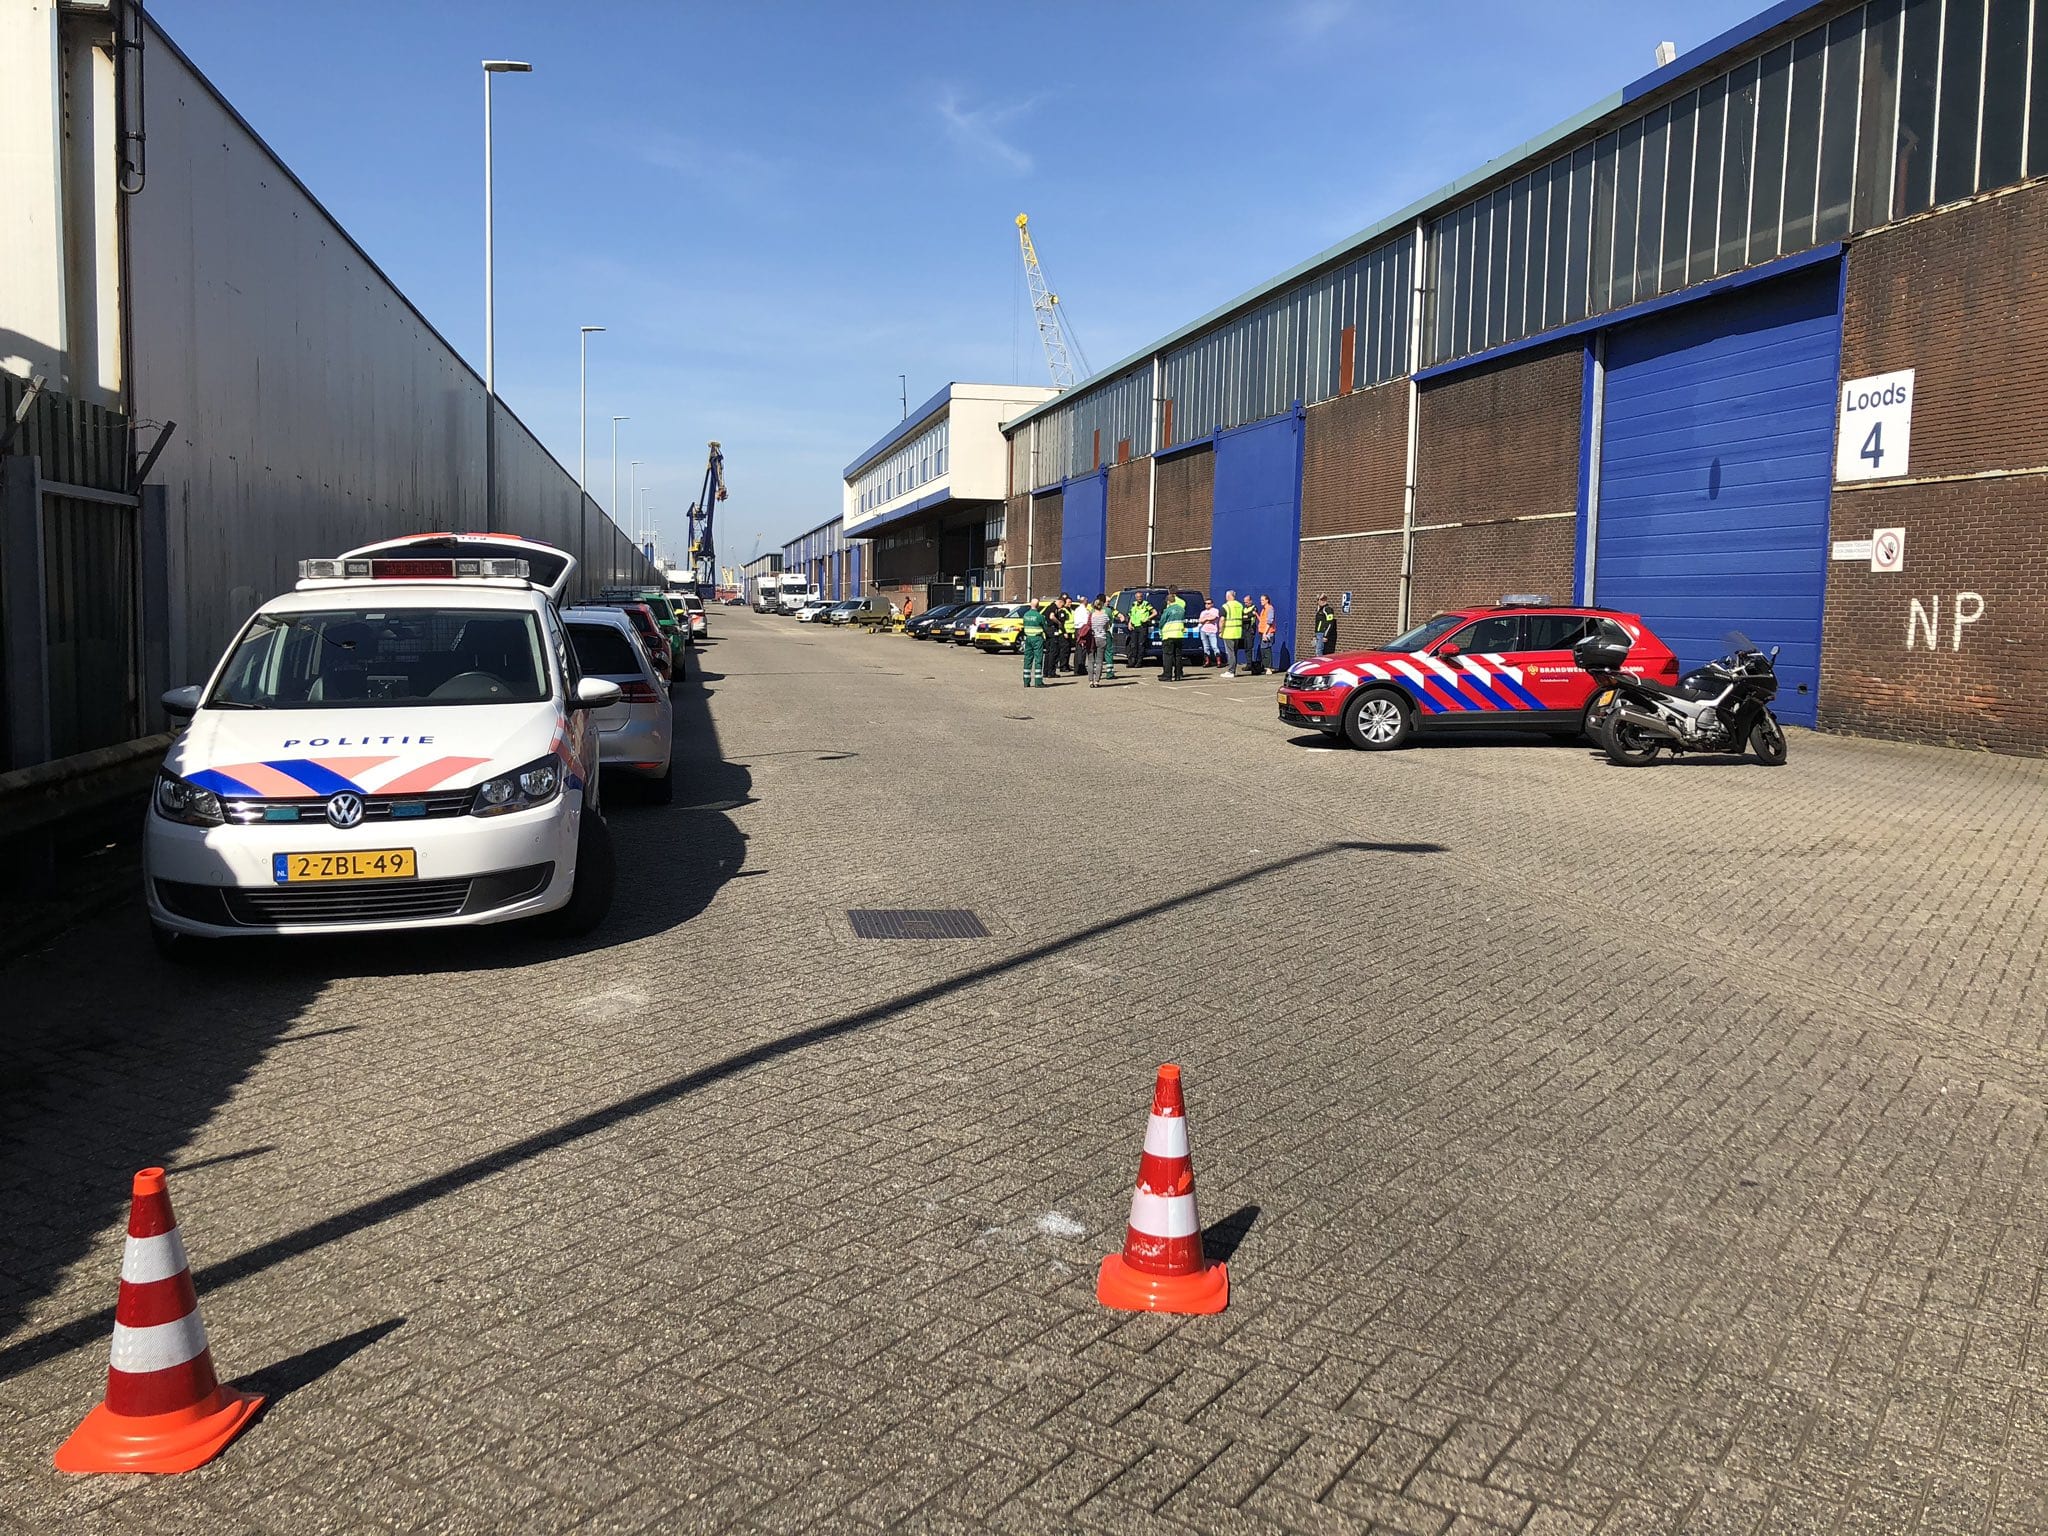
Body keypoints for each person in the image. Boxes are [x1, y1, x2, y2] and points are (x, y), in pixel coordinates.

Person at [1158, 588, 1187, 681]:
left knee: (1168, 655)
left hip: (1168, 635)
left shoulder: (1168, 610)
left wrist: (1160, 628)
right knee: (1178, 656)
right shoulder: (1181, 609)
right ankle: (1178, 675)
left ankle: (1167, 675)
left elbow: (1162, 621)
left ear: (1168, 601)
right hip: (1179, 635)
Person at [1087, 594, 1112, 686]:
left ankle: (1091, 680)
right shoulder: (1105, 616)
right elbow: (1108, 626)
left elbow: (1088, 626)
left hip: (1092, 638)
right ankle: (1097, 681)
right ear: (1102, 605)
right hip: (1101, 638)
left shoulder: (1091, 615)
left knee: (1090, 660)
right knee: (1099, 661)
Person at [1220, 590, 1245, 678]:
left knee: (1230, 652)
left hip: (1228, 632)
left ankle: (1231, 671)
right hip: (1237, 632)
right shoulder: (1240, 605)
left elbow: (1222, 620)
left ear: (1229, 596)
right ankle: (1233, 670)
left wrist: (1220, 631)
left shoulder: (1225, 606)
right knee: (1234, 652)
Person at [1020, 601, 1046, 686]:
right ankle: (1038, 682)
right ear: (1038, 605)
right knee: (1038, 659)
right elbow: (1045, 627)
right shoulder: (1039, 616)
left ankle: (1026, 681)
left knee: (1027, 659)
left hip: (1028, 638)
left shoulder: (1025, 615)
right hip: (1037, 638)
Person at [1127, 593, 1155, 669]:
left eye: (1140, 597)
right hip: (1134, 627)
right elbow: (1131, 614)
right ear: (1135, 597)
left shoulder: (1146, 604)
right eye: (1137, 597)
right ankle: (1132, 662)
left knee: (1141, 644)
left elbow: (1154, 612)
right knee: (1133, 644)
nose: (1139, 598)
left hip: (1142, 626)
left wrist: (1147, 618)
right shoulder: (1134, 604)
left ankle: (1139, 662)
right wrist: (1129, 623)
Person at [1253, 594, 1276, 675]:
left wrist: (1265, 633)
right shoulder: (1263, 610)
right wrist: (1256, 614)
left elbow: (1269, 622)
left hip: (1267, 632)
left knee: (1266, 649)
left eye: (1262, 600)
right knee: (1263, 649)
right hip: (1262, 632)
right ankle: (1266, 667)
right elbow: (1262, 620)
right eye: (1261, 600)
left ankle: (1269, 668)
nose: (1261, 601)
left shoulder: (1270, 608)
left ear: (1267, 600)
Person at [1196, 598, 1222, 667]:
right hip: (1203, 630)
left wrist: (1206, 619)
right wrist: (1207, 620)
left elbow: (1213, 618)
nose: (1207, 605)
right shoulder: (1203, 612)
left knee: (1214, 646)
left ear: (1212, 604)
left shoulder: (1215, 610)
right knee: (1206, 647)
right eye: (1205, 603)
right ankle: (1207, 661)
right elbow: (1200, 621)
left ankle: (1218, 662)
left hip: (1212, 631)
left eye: (1208, 603)